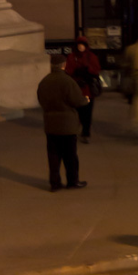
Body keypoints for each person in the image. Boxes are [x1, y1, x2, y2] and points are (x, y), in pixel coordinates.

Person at [37, 53, 88, 191]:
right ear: (64, 65)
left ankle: (55, 183)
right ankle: (72, 181)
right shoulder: (67, 81)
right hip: (67, 125)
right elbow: (77, 100)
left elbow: (41, 100)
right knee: (70, 156)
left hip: (51, 124)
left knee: (53, 156)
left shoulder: (44, 81)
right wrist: (86, 100)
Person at [64, 36, 101, 144]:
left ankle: (85, 132)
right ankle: (79, 131)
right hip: (77, 89)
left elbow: (96, 69)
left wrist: (87, 70)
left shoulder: (91, 57)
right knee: (78, 112)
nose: (80, 47)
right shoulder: (71, 57)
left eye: (82, 45)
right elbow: (68, 70)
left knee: (87, 112)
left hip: (87, 89)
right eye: (79, 45)